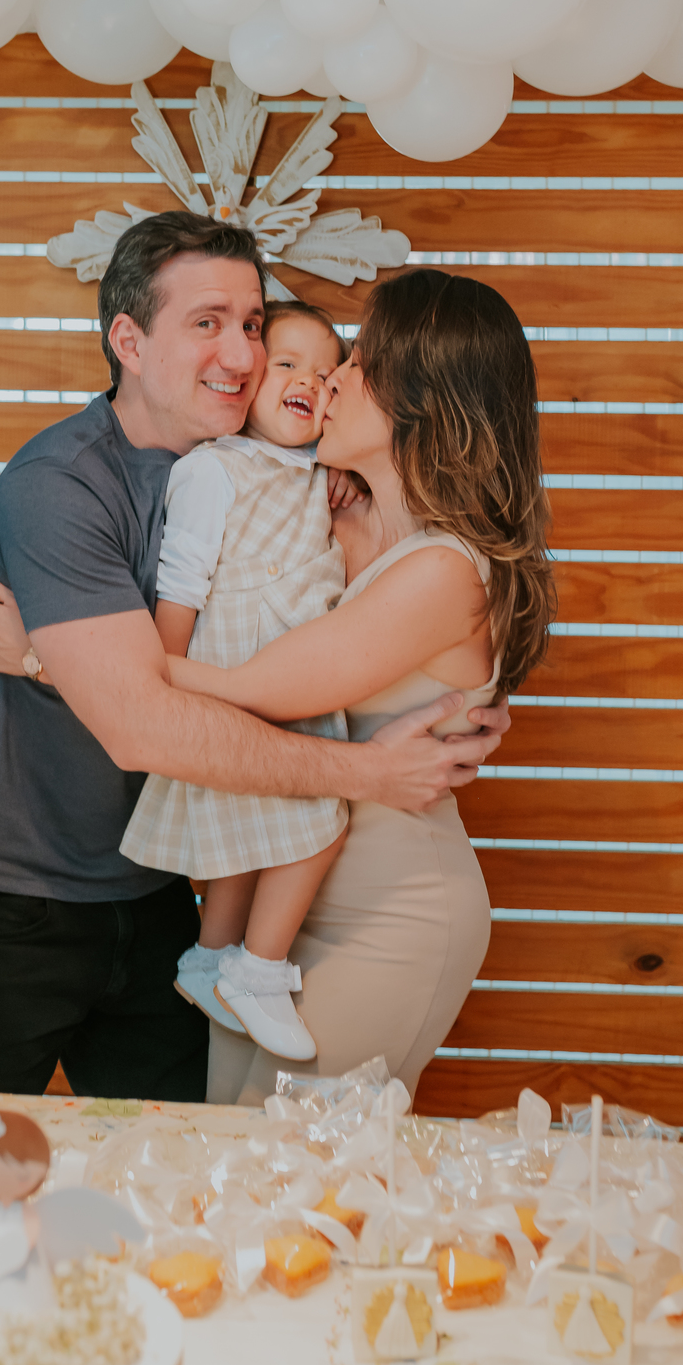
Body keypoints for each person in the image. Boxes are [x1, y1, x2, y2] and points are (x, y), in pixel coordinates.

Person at [0, 213, 511, 1103]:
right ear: (129, 341)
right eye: (206, 323)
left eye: (253, 324)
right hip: (15, 896)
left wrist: (469, 692)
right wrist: (371, 771)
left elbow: (421, 596)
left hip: (160, 896)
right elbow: (141, 723)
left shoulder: (286, 480)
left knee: (196, 1159)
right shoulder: (62, 487)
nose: (242, 354)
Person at [165, 267, 556, 1106]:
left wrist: (65, 658)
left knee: (291, 1180)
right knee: (227, 1152)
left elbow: (261, 687)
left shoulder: (446, 572)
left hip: (390, 918)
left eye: (360, 364)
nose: (330, 379)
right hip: (276, 913)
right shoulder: (335, 515)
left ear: (424, 400)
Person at [120, 301, 356, 1063]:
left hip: (291, 670)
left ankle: (209, 956)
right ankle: (256, 968)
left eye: (324, 375)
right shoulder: (215, 469)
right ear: (247, 386)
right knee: (316, 820)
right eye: (286, 364)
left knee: (247, 840)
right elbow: (182, 579)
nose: (306, 382)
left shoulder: (321, 475)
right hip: (233, 671)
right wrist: (168, 681)